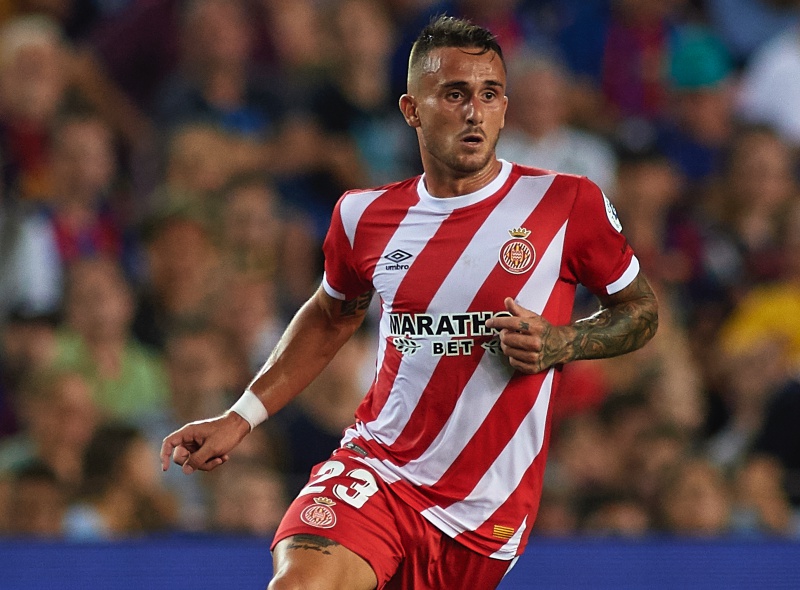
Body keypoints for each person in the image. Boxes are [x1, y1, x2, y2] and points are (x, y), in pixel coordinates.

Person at [161, 16, 658, 590]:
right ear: (411, 110)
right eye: (455, 94)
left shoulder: (567, 202)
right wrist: (240, 417)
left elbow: (641, 311)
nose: (474, 112)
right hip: (376, 470)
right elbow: (330, 316)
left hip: (484, 514)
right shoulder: (363, 215)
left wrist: (564, 341)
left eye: (489, 94)